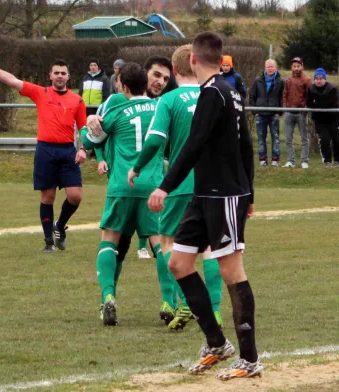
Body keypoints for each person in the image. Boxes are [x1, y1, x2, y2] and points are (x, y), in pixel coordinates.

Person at [147, 32, 260, 380]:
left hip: (224, 195)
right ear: (219, 57)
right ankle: (216, 343)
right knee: (179, 263)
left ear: (193, 59)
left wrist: (165, 187)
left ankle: (250, 359)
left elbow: (194, 146)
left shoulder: (214, 93)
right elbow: (246, 147)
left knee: (231, 272)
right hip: (204, 196)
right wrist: (251, 193)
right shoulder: (230, 92)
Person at [127, 44, 223, 331]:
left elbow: (155, 140)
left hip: (181, 184)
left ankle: (184, 304)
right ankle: (215, 312)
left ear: (175, 69)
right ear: (195, 64)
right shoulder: (217, 94)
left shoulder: (169, 101)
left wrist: (137, 166)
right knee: (210, 249)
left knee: (169, 243)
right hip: (215, 185)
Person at [0, 50, 86, 253]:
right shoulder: (39, 93)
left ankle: (59, 226)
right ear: (50, 76)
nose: (60, 76)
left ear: (68, 77)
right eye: (56, 72)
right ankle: (48, 243)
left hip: (67, 151)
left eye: (63, 73)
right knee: (48, 197)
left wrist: (83, 148)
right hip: (45, 150)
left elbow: (83, 128)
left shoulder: (77, 100)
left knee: (75, 196)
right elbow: (11, 80)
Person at [81, 63, 159, 326]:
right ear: (146, 84)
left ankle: (108, 297)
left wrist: (88, 124)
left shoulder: (118, 109)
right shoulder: (161, 108)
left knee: (109, 242)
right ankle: (170, 302)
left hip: (121, 186)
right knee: (161, 246)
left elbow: (91, 140)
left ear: (123, 86)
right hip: (154, 186)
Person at [94, 55, 172, 265]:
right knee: (138, 243)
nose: (160, 82)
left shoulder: (163, 104)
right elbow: (96, 130)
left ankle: (109, 292)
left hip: (132, 184)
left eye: (165, 79)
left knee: (150, 241)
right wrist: (90, 119)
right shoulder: (116, 100)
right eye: (156, 75)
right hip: (130, 181)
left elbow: (92, 136)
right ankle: (172, 296)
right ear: (143, 74)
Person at [249, 59, 284, 166]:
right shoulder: (257, 80)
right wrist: (255, 111)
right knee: (261, 139)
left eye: (272, 66)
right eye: (268, 66)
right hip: (260, 114)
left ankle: (275, 160)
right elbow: (252, 96)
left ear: (276, 68)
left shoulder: (281, 81)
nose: (270, 68)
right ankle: (262, 159)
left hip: (274, 114)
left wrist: (280, 112)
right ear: (265, 68)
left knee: (276, 138)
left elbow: (283, 97)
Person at [282, 57, 311, 168]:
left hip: (301, 112)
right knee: (288, 138)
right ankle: (291, 161)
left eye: (298, 66)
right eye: (294, 66)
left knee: (304, 138)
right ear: (291, 67)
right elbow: (284, 94)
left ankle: (304, 161)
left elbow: (309, 96)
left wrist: (305, 109)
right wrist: (284, 109)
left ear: (301, 66)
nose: (296, 68)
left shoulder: (307, 80)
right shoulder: (288, 80)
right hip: (289, 112)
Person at [306, 68, 339, 166]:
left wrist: (318, 103)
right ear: (314, 79)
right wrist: (320, 104)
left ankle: (337, 160)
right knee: (324, 140)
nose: (319, 80)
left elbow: (333, 103)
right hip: (320, 120)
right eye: (317, 78)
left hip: (334, 118)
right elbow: (309, 103)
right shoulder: (311, 89)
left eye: (321, 78)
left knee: (336, 139)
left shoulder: (332, 89)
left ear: (325, 79)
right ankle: (327, 161)